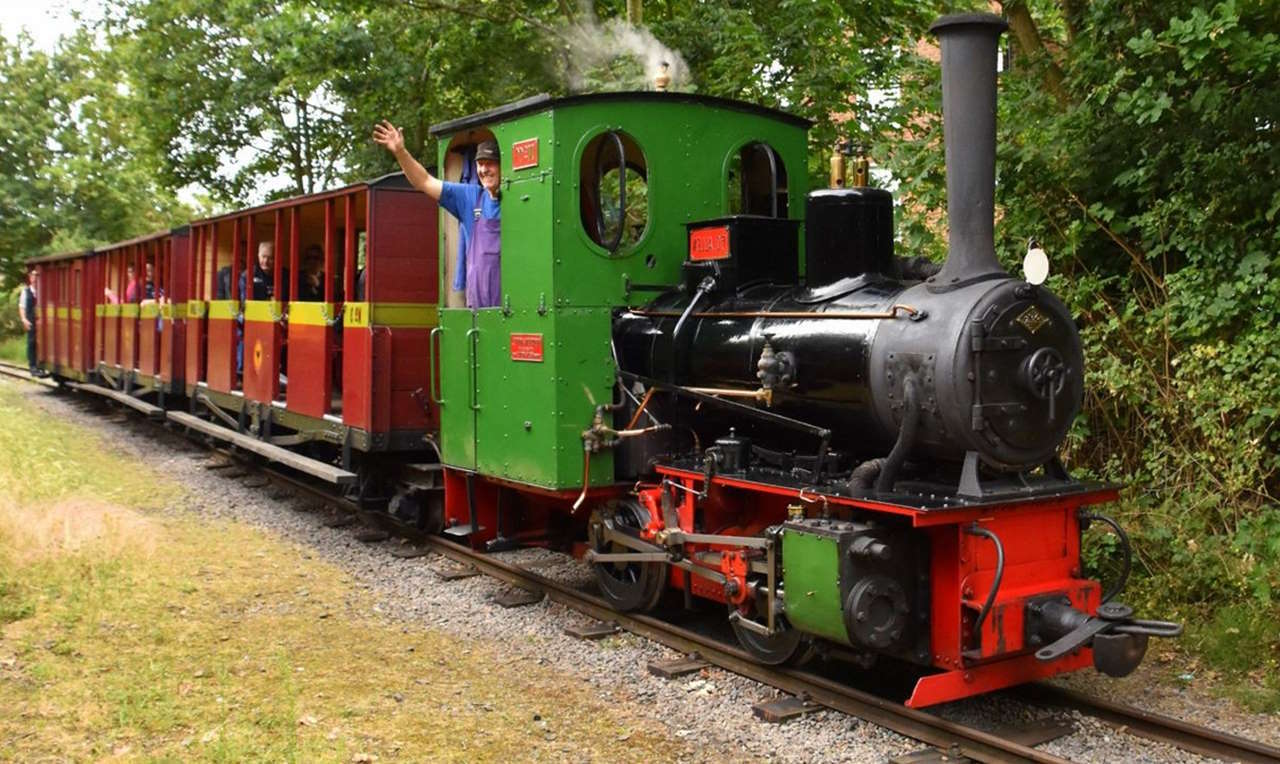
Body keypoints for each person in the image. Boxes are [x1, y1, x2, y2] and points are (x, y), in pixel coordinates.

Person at [372, 121, 501, 308]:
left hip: (509, 309)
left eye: (490, 164)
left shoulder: (518, 199)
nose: (483, 170)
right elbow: (424, 181)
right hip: (478, 312)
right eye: (480, 164)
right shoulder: (472, 197)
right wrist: (400, 152)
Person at [18, 268, 38, 374]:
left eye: (36, 276)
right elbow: (22, 307)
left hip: (42, 321)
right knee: (32, 342)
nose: (35, 278)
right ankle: (32, 365)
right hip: (31, 320)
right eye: (33, 276)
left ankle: (41, 362)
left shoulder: (42, 291)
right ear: (30, 278)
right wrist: (24, 319)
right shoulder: (25, 291)